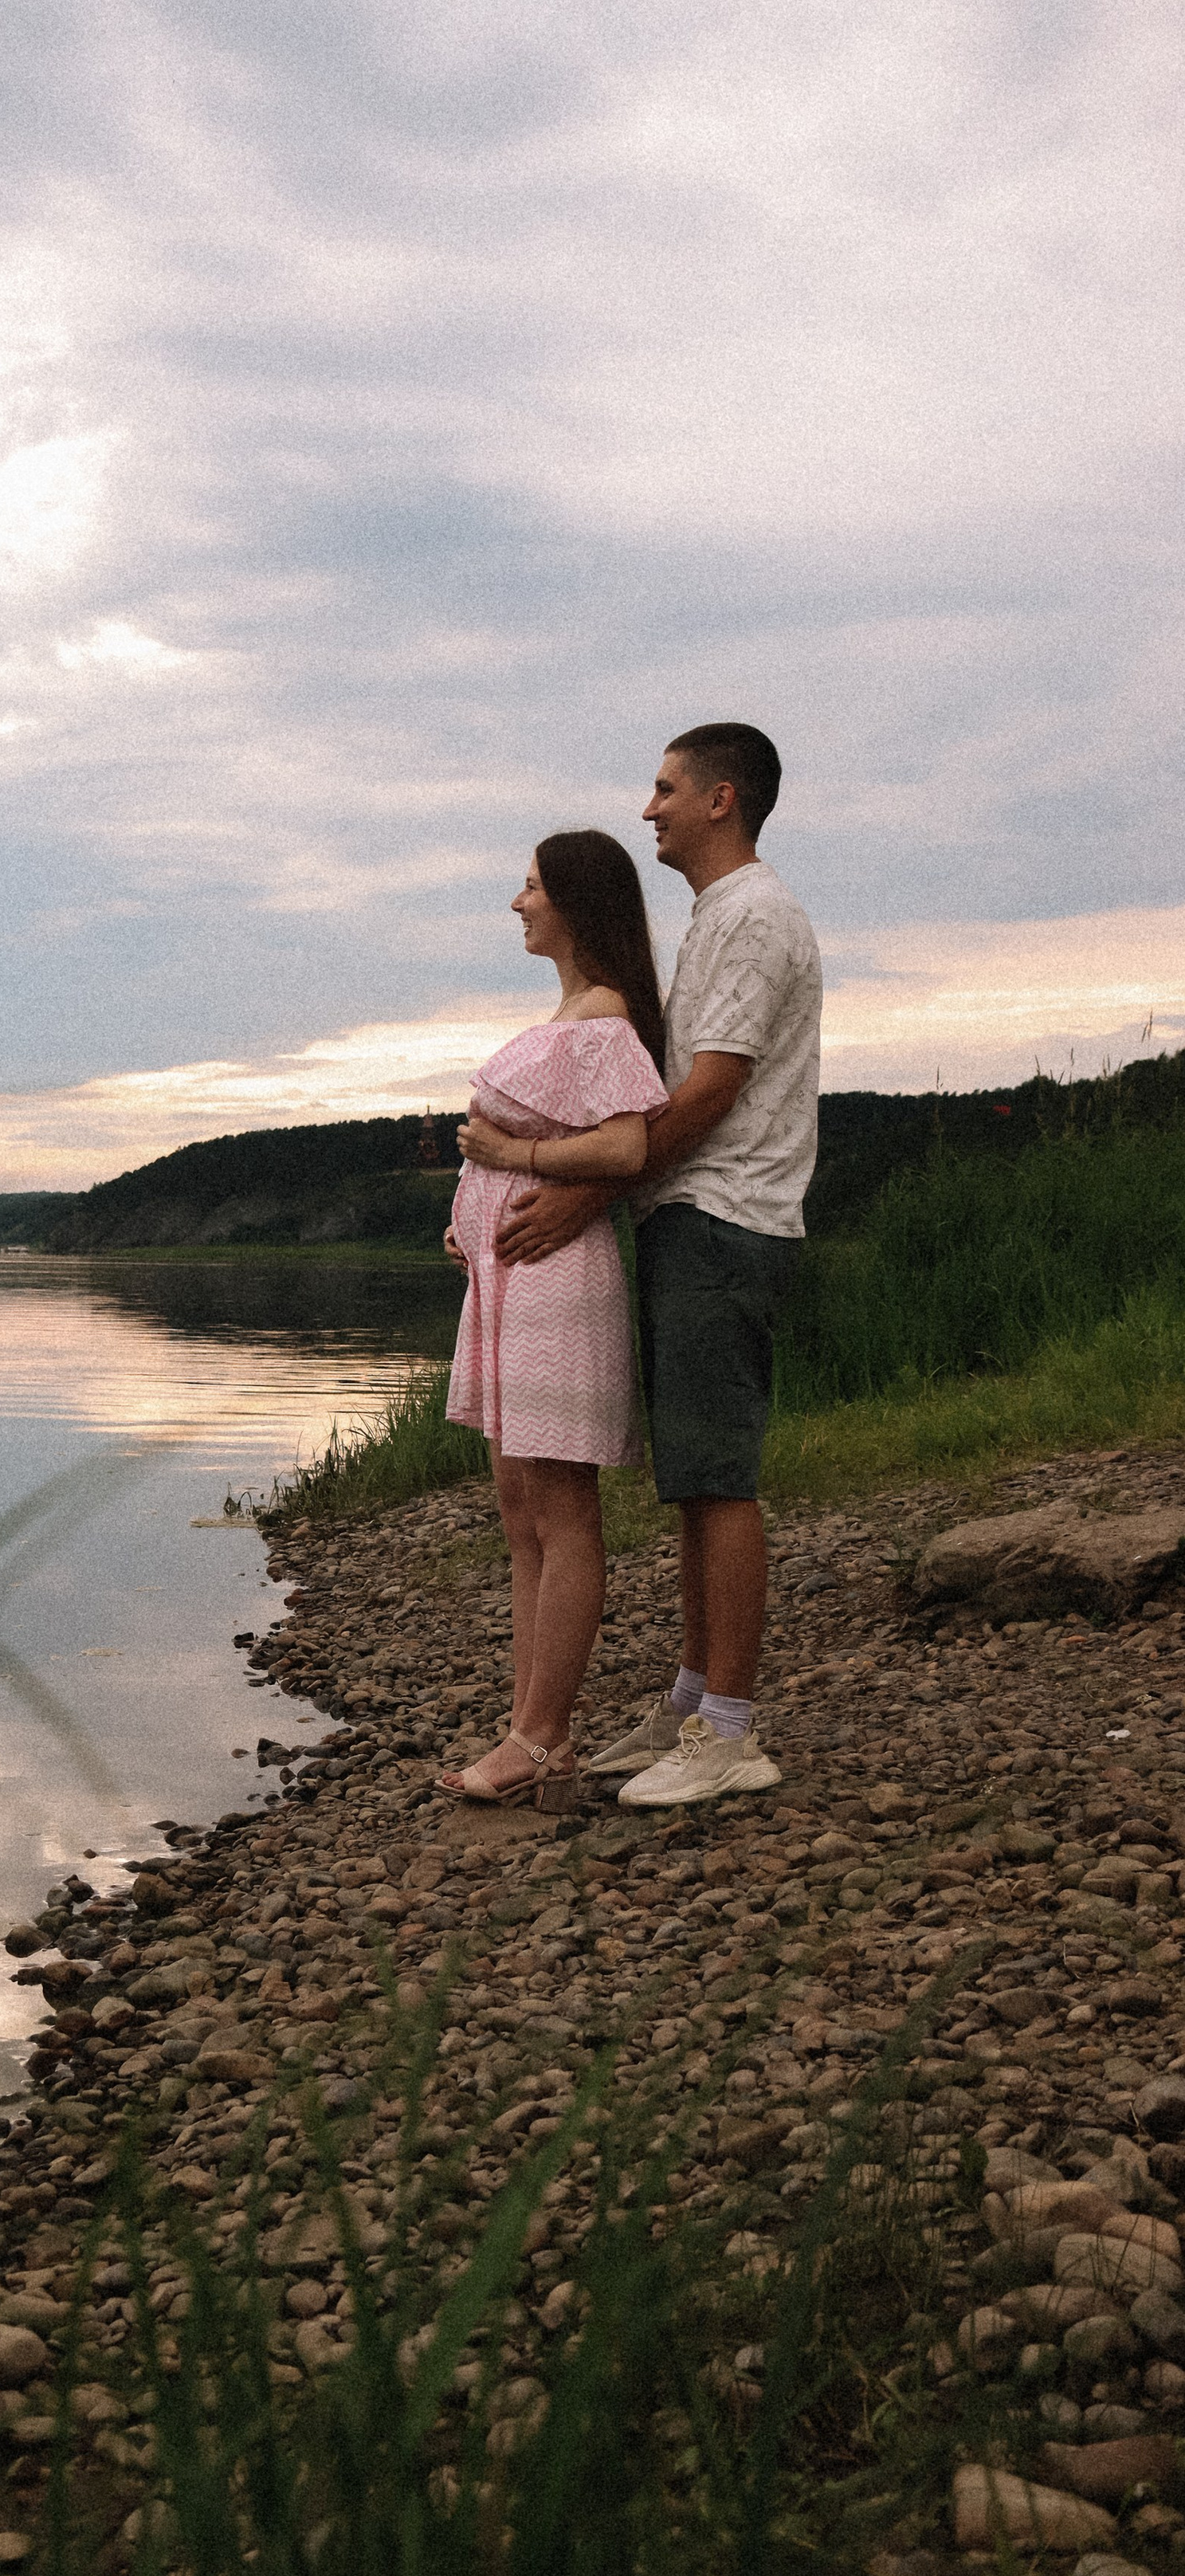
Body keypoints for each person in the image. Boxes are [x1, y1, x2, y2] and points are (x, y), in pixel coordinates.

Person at [465, 724, 821, 1808]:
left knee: (717, 1480)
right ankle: (690, 1703)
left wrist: (577, 1188)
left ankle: (729, 1731)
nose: (648, 807)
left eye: (666, 789)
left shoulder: (755, 917)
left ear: (722, 798)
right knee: (691, 1479)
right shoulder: (719, 918)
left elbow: (708, 1090)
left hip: (726, 1211)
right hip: (687, 1213)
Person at [437, 830, 669, 1811]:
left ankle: (538, 1737)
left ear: (573, 902)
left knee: (560, 1508)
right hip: (507, 1281)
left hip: (553, 1277)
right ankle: (534, 1727)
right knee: (518, 1506)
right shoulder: (571, 1015)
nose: (517, 902)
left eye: (531, 886)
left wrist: (511, 1159)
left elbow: (623, 1149)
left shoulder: (603, 1019)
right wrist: (468, 1219)